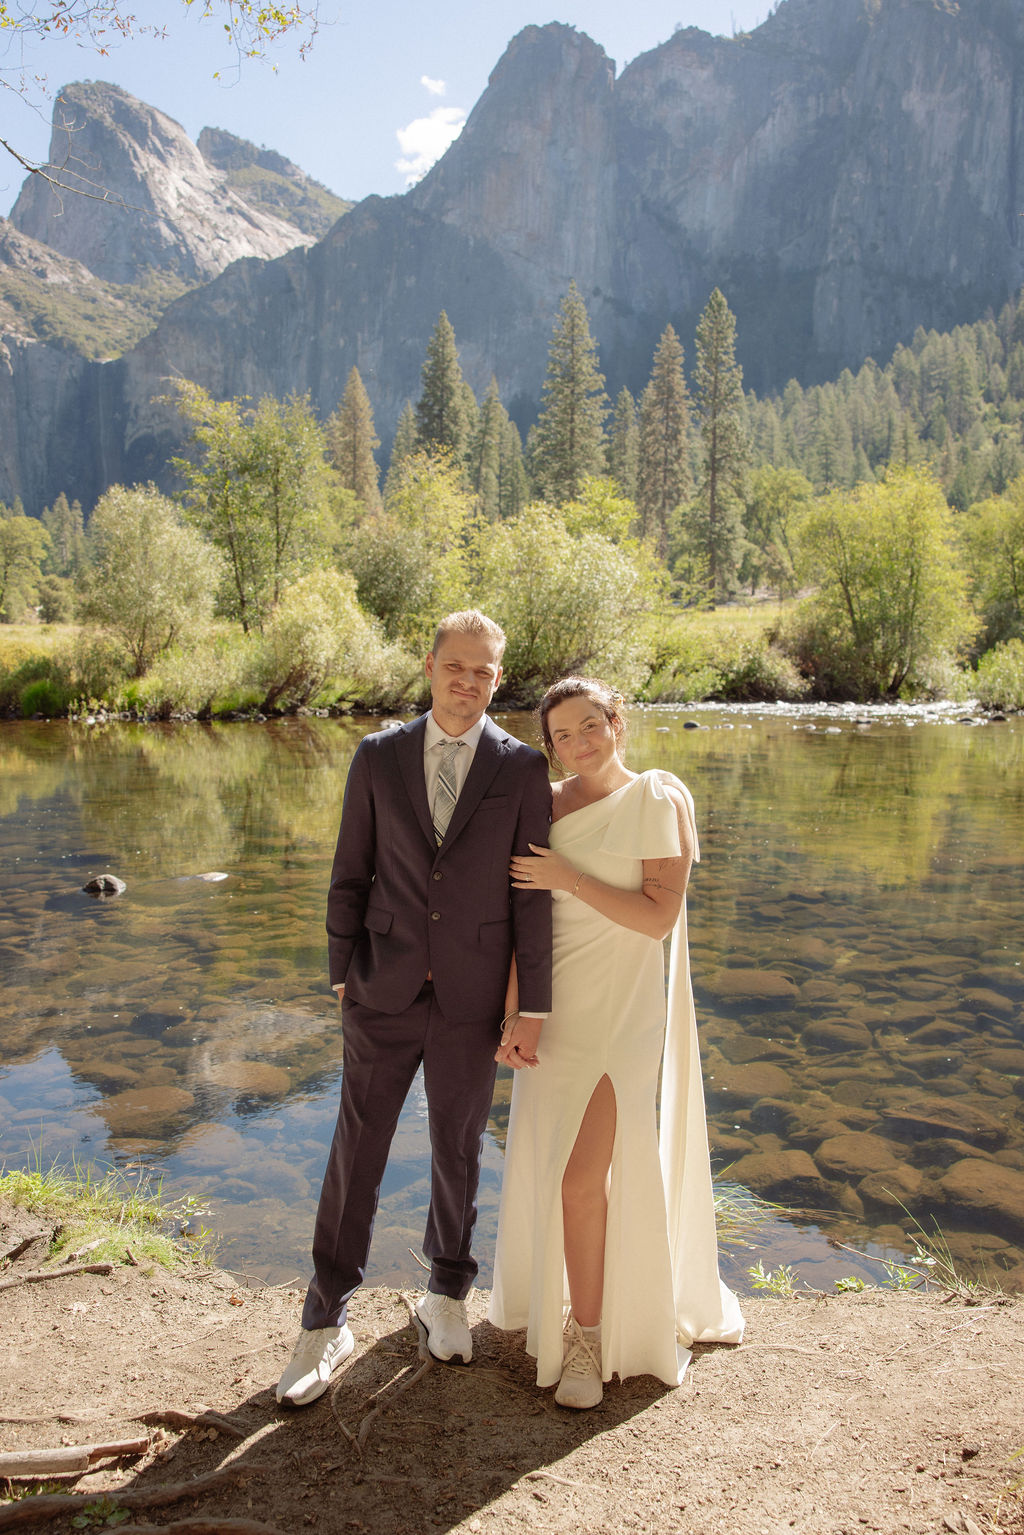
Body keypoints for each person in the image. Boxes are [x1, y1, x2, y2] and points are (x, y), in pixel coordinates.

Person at [277, 610, 552, 1408]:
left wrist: (530, 1004)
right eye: (455, 667)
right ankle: (323, 1321)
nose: (468, 683)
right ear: (429, 666)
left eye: (484, 672)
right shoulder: (378, 755)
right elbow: (348, 874)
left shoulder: (522, 769)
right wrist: (341, 974)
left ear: (498, 679)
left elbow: (531, 903)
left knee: (459, 1150)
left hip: (472, 999)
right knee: (354, 1152)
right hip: (380, 992)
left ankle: (445, 1293)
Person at [488, 676, 743, 1409]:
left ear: (617, 723)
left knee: (581, 1177)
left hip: (618, 1011)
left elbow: (657, 917)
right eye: (561, 735)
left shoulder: (659, 797)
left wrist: (569, 876)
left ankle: (589, 1334)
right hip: (552, 1005)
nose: (577, 744)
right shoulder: (543, 804)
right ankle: (560, 1302)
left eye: (589, 725)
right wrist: (515, 1011)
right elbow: (520, 922)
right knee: (550, 1163)